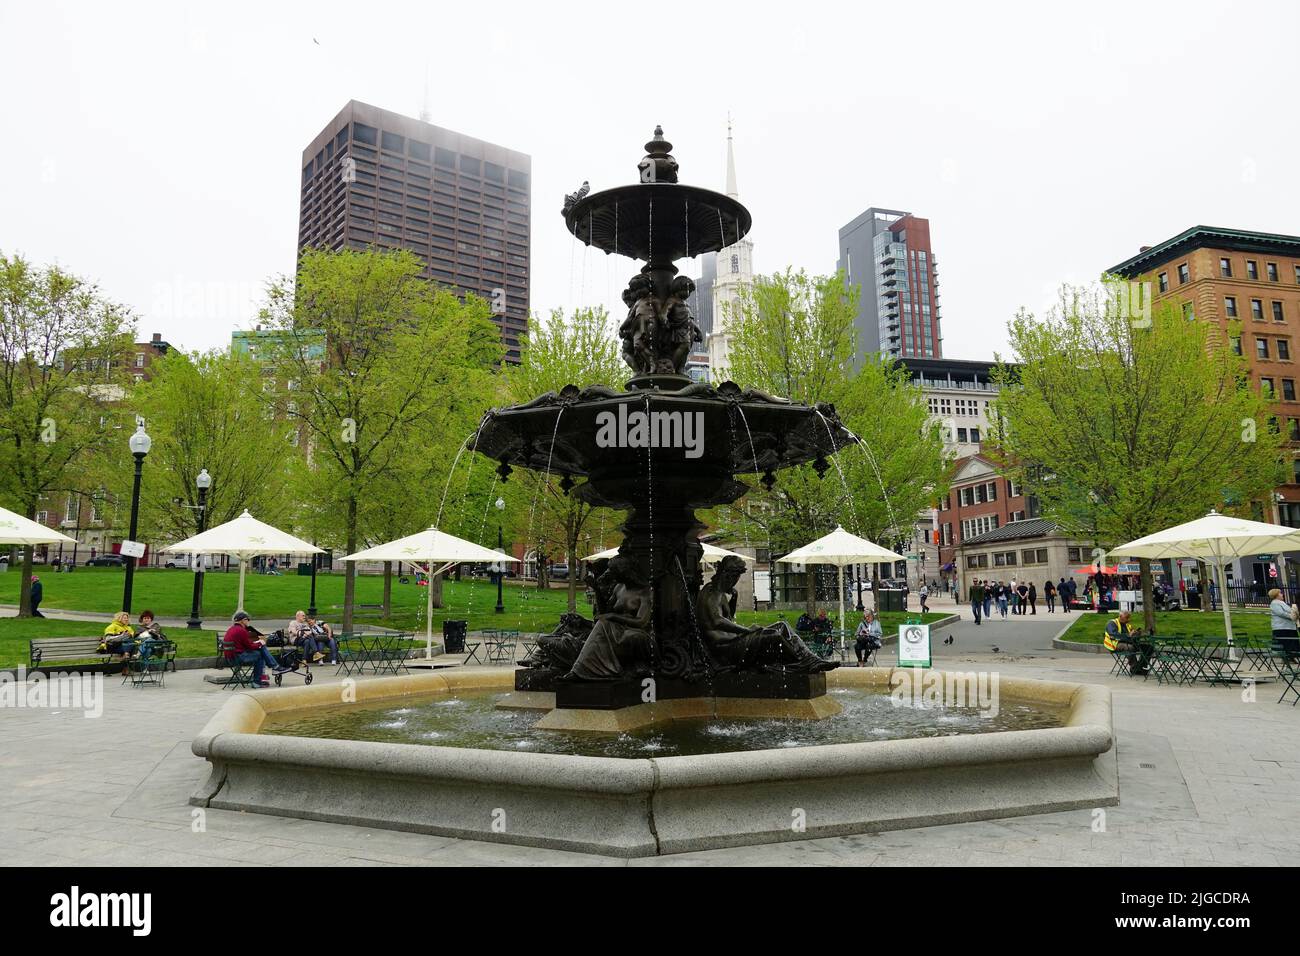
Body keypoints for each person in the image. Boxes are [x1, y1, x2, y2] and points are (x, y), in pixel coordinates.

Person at [223, 611, 287, 687]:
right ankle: (258, 680)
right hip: (237, 657)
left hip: (231, 657)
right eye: (248, 619)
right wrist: (260, 643)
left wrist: (257, 643)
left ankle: (273, 668)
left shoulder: (232, 629)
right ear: (243, 620)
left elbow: (246, 645)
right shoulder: (242, 630)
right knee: (260, 655)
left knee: (259, 651)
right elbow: (249, 646)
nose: (249, 621)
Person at [1104, 610, 1154, 675]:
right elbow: (1114, 635)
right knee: (1130, 647)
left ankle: (1140, 666)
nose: (1129, 619)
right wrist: (1128, 635)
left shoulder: (1127, 625)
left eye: (1129, 617)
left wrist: (1137, 633)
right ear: (1121, 616)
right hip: (1115, 644)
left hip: (1129, 642)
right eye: (1127, 617)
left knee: (1149, 647)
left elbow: (1131, 634)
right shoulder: (1112, 623)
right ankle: (1134, 668)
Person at [1268, 588, 1299, 660]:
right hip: (1281, 627)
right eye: (1280, 593)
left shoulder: (1282, 602)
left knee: (1292, 643)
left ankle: (1291, 656)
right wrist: (1292, 616)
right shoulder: (1274, 603)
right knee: (1285, 643)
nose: (1282, 594)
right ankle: (1287, 657)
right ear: (1276, 595)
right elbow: (1280, 613)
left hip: (1289, 627)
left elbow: (1291, 611)